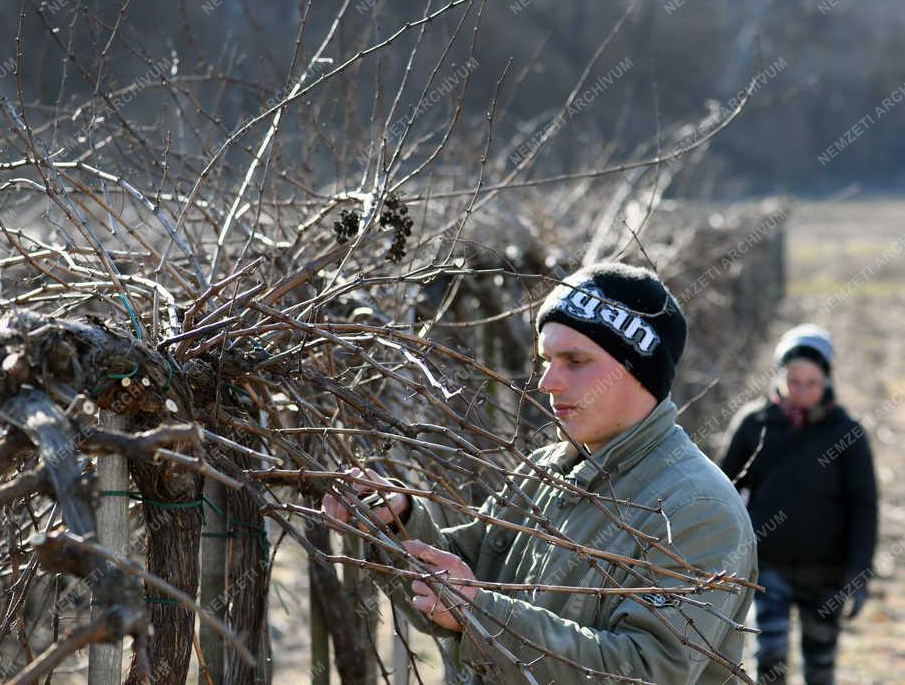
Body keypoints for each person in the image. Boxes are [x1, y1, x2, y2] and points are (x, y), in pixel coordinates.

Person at [322, 262, 758, 684]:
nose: (548, 381)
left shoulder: (699, 510)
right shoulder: (550, 468)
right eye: (546, 359)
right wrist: (395, 521)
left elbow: (645, 672)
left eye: (575, 360)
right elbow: (467, 572)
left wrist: (479, 613)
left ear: (637, 369)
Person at [719, 324, 878, 685]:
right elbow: (721, 491)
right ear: (778, 377)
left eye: (812, 383)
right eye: (794, 382)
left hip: (827, 572)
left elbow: (864, 507)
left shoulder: (846, 432)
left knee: (820, 664)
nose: (802, 392)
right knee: (769, 656)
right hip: (767, 566)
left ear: (827, 381)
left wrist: (859, 570)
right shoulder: (754, 424)